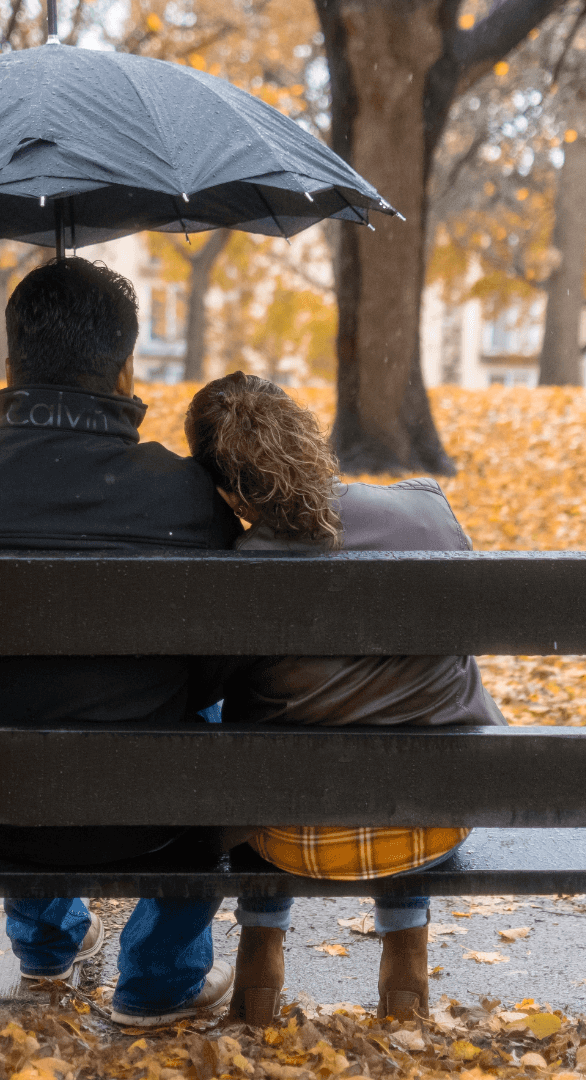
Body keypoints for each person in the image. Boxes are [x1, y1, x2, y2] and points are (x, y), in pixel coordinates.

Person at [0, 257, 241, 1027]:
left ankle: (46, 946)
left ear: (10, 364)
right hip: (152, 814)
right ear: (125, 370)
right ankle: (160, 978)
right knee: (212, 723)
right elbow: (211, 677)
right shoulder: (185, 494)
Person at [182, 370, 507, 1026]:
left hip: (290, 839)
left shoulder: (238, 573)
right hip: (430, 823)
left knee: (243, 736)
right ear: (312, 436)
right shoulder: (425, 509)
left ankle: (260, 964)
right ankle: (407, 969)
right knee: (408, 718)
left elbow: (205, 688)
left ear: (223, 488)